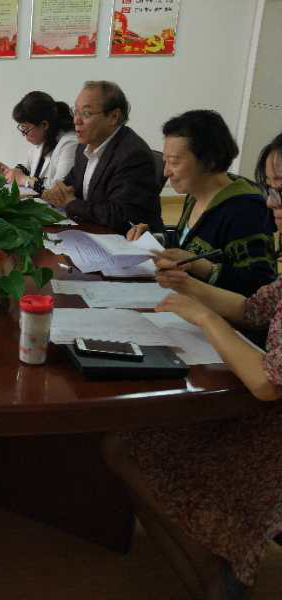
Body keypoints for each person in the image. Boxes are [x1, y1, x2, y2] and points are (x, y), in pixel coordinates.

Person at [102, 135, 282, 600]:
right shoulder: (198, 203)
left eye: (281, 191)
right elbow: (253, 308)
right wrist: (188, 285)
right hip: (258, 401)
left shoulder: (239, 209)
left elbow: (268, 383)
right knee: (122, 441)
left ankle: (219, 576)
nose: (271, 203)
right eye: (270, 188)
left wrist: (203, 315)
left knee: (128, 446)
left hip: (268, 428)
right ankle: (213, 574)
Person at [127, 110, 276, 298]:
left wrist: (201, 266)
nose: (166, 172)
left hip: (215, 311)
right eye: (165, 162)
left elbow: (259, 287)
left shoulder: (245, 211)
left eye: (174, 162)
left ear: (209, 161)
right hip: (185, 297)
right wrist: (154, 240)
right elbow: (186, 244)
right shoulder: (195, 193)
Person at [42, 80, 163, 234]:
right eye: (75, 112)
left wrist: (71, 203)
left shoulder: (132, 155)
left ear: (113, 116)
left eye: (86, 113)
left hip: (125, 239)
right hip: (92, 231)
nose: (76, 121)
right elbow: (71, 183)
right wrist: (56, 193)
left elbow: (120, 215)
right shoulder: (84, 146)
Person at [0, 91, 78, 195]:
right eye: (22, 128)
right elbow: (27, 169)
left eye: (26, 129)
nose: (23, 134)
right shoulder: (43, 140)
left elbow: (60, 188)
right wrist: (10, 173)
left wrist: (23, 180)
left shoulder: (70, 144)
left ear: (44, 125)